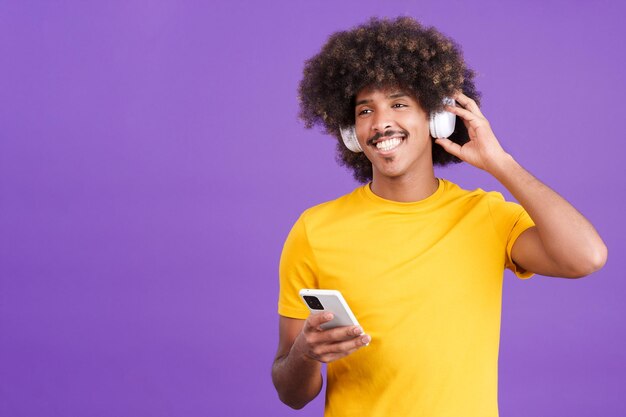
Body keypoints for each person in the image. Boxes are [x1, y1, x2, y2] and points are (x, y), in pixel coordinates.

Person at [271, 17, 607, 417]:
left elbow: (586, 257)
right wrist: (306, 355)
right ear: (350, 131)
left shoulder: (487, 215)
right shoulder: (314, 230)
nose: (381, 123)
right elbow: (292, 394)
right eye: (365, 110)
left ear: (436, 118)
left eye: (399, 104)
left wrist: (500, 163)